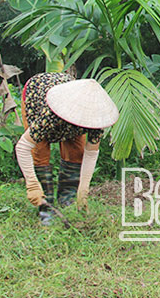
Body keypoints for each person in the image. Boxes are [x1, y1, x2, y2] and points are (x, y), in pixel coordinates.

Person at [15, 72, 119, 225]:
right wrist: (31, 183)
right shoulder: (50, 114)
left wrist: (83, 189)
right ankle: (46, 207)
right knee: (40, 152)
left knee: (76, 152)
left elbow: (91, 153)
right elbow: (23, 146)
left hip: (65, 94)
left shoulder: (95, 118)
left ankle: (67, 200)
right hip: (37, 95)